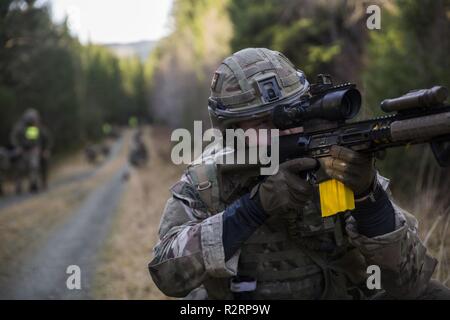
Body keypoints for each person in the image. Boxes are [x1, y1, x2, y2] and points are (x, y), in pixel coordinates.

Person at [148, 48, 450, 299]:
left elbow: (409, 282)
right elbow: (168, 274)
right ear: (232, 132)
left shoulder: (328, 167)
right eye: (264, 123)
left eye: (294, 111)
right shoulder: (208, 182)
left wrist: (367, 196)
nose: (286, 128)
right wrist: (254, 208)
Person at [10, 108, 53, 193]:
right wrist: (18, 147)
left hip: (31, 151)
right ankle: (18, 186)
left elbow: (33, 141)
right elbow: (14, 138)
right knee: (20, 167)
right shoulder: (20, 127)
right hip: (21, 151)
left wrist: (41, 149)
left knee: (34, 165)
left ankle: (33, 184)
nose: (35, 120)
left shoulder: (33, 128)